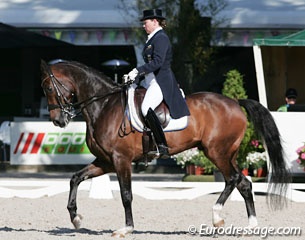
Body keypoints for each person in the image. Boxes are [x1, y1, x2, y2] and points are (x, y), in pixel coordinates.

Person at [124, 8, 190, 158]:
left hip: (160, 82)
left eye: (145, 22)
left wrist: (137, 70)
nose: (143, 25)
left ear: (155, 21)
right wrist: (135, 78)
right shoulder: (152, 38)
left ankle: (162, 146)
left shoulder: (161, 38)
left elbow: (158, 62)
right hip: (149, 81)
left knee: (146, 107)